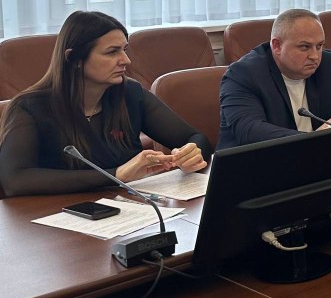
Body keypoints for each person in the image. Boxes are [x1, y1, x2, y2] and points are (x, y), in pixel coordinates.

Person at [0, 11, 209, 196]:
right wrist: (117, 175)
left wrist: (190, 154)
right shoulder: (29, 107)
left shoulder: (129, 92)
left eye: (124, 49)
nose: (126, 60)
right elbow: (15, 180)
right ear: (74, 59)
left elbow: (195, 137)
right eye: (112, 52)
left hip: (130, 210)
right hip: (57, 217)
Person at [217, 8, 331, 150]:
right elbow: (250, 130)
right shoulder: (243, 74)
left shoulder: (330, 64)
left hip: (317, 161)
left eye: (319, 46)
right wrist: (314, 141)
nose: (315, 56)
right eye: (304, 47)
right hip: (257, 166)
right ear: (277, 46)